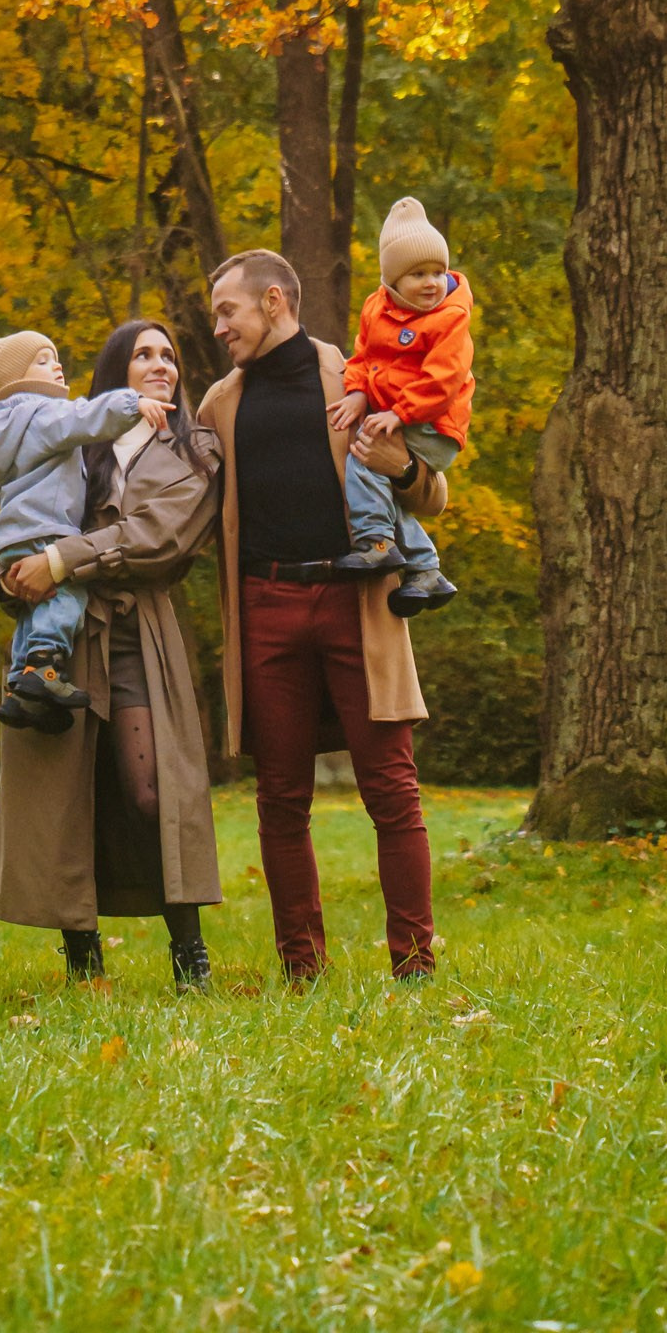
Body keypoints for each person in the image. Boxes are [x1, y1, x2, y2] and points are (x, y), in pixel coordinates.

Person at [198, 248, 445, 983]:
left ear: (274, 302)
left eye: (227, 312)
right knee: (280, 797)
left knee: (391, 788)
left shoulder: (361, 375)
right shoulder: (219, 405)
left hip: (357, 602)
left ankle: (416, 965)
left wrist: (400, 462)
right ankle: (302, 968)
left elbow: (431, 496)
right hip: (266, 607)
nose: (218, 328)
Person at [0, 318, 223, 987]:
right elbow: (19, 517)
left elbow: (162, 536)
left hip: (137, 634)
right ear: (115, 369)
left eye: (169, 355)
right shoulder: (70, 438)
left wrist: (61, 559)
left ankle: (189, 951)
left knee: (153, 794)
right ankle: (81, 957)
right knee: (69, 791)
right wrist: (10, 573)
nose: (161, 365)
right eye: (143, 354)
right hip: (61, 631)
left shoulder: (193, 451)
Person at [0, 330, 163, 728]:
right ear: (17, 379)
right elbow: (85, 417)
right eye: (43, 360)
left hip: (11, 538)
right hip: (48, 530)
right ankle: (45, 668)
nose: (56, 366)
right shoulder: (40, 413)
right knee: (65, 598)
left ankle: (20, 688)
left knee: (32, 609)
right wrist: (134, 403)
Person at [330, 195, 471, 616]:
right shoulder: (377, 309)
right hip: (404, 416)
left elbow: (444, 381)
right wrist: (356, 392)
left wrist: (399, 414)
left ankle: (376, 542)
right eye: (418, 274)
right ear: (392, 281)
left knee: (364, 460)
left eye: (438, 272)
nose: (432, 283)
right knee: (377, 478)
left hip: (433, 423)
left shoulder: (448, 318)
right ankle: (425, 570)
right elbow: (362, 357)